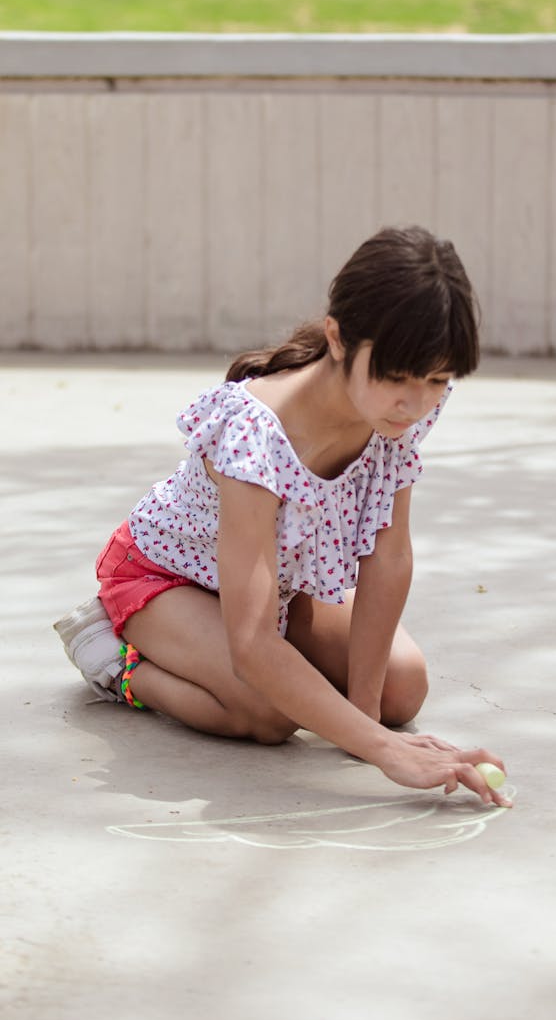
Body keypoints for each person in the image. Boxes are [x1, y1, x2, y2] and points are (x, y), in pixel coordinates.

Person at [54, 225, 510, 807]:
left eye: (437, 380)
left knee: (402, 688)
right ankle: (117, 663)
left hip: (275, 587)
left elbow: (389, 557)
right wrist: (384, 750)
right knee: (268, 713)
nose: (416, 402)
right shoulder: (253, 431)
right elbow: (251, 643)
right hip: (161, 580)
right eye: (395, 377)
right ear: (338, 339)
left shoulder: (405, 408)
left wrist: (366, 723)